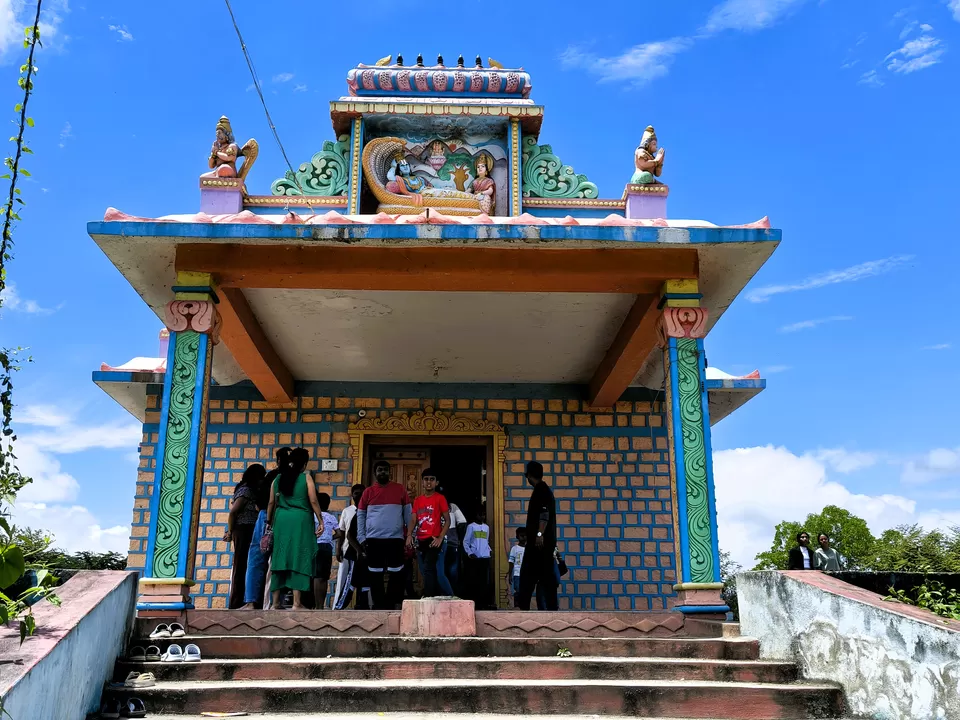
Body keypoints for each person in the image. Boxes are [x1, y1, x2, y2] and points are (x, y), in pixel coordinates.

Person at [267, 448, 325, 609]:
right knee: (299, 557)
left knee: (280, 557)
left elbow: (271, 502)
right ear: (305, 463)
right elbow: (313, 500)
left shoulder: (278, 478)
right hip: (301, 521)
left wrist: (269, 521)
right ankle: (296, 603)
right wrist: (321, 520)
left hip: (281, 520)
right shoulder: (306, 478)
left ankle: (276, 603)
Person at [357, 460, 412, 610]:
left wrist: (410, 535)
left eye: (385, 470)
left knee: (396, 574)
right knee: (375, 575)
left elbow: (408, 514)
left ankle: (390, 604)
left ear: (390, 472)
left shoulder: (400, 489)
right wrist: (361, 537)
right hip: (373, 540)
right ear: (375, 473)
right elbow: (361, 515)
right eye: (380, 470)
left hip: (395, 539)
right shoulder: (367, 492)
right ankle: (379, 606)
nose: (383, 472)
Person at [516, 461, 559, 610]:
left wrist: (539, 534)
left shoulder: (541, 490)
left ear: (529, 475)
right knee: (546, 579)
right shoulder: (544, 490)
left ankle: (523, 609)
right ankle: (552, 608)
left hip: (539, 545)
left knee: (527, 577)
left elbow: (544, 514)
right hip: (544, 545)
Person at [407, 469, 453, 598]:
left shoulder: (440, 498)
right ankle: (434, 596)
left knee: (430, 569)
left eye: (432, 479)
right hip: (421, 540)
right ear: (422, 482)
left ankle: (431, 597)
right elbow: (413, 519)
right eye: (426, 479)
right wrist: (409, 535)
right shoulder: (418, 500)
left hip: (434, 540)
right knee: (424, 570)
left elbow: (447, 521)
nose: (429, 482)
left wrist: (440, 538)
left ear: (436, 482)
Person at [224, 463, 265, 609]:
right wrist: (229, 531)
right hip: (243, 530)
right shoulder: (246, 490)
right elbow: (233, 512)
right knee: (241, 565)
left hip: (249, 530)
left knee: (247, 565)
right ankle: (237, 601)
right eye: (261, 477)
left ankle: (246, 599)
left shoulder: (251, 490)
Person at [240, 459, 278, 610]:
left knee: (256, 561)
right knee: (278, 564)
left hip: (263, 518)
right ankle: (274, 603)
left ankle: (251, 602)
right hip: (282, 517)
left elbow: (262, 502)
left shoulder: (271, 478)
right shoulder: (291, 478)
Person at [333, 484, 364, 607]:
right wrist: (338, 549)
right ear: (352, 495)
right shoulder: (347, 511)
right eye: (356, 493)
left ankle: (366, 605)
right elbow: (343, 532)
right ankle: (337, 606)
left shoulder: (369, 511)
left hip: (363, 552)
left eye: (362, 493)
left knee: (364, 580)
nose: (359, 495)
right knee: (344, 579)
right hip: (348, 551)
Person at [438, 486, 467, 596]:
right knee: (451, 571)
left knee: (443, 570)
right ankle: (451, 594)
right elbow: (462, 522)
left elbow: (463, 523)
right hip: (450, 542)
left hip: (442, 542)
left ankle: (446, 594)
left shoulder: (449, 506)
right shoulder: (452, 507)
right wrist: (458, 537)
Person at [313, 493, 339, 609]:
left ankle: (316, 605)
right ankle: (321, 606)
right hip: (327, 548)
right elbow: (339, 533)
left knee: (316, 576)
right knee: (324, 577)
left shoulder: (313, 516)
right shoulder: (331, 517)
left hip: (315, 546)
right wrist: (329, 538)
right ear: (328, 504)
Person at [464, 507, 492, 607]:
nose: (482, 517)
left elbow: (486, 541)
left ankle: (484, 602)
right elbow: (466, 541)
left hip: (485, 557)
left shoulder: (486, 527)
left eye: (483, 515)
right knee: (475, 580)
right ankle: (476, 602)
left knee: (485, 581)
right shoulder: (471, 527)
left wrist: (488, 551)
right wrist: (470, 553)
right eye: (480, 515)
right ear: (476, 515)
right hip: (475, 558)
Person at [507, 528, 527, 604]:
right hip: (517, 574)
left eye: (525, 536)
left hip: (526, 574)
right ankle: (517, 606)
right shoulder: (514, 549)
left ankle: (524, 607)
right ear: (517, 537)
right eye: (522, 536)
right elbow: (511, 562)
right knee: (518, 591)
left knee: (525, 592)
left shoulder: (529, 549)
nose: (524, 538)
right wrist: (510, 575)